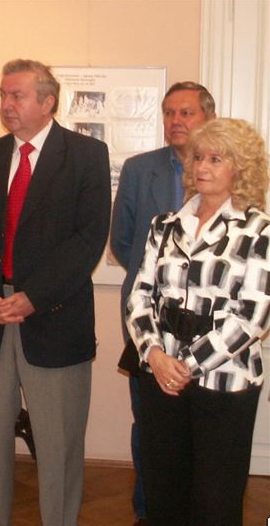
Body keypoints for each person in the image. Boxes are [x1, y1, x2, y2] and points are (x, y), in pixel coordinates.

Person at [0, 59, 111, 526]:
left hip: (53, 316)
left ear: (47, 102)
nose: (6, 104)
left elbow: (88, 240)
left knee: (58, 442)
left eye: (16, 95)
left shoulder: (86, 155)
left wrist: (33, 297)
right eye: (3, 94)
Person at [126, 118, 269, 526]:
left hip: (224, 383)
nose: (202, 167)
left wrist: (186, 366)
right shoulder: (164, 226)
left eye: (216, 159)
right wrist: (154, 355)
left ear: (240, 168)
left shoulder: (258, 231)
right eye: (199, 158)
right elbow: (140, 297)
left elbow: (251, 318)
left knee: (215, 502)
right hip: (161, 378)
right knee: (164, 494)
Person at [109, 81, 216, 525]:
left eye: (186, 112)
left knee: (202, 430)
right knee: (150, 423)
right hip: (148, 323)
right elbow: (123, 241)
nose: (176, 120)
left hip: (209, 330)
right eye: (169, 112)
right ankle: (148, 510)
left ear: (208, 117)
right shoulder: (140, 169)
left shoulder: (225, 170)